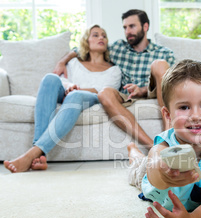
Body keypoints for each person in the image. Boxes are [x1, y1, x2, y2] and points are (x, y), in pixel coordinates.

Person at [127, 59, 201, 218]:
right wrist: (162, 172)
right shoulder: (164, 143)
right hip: (148, 176)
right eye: (184, 107)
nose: (195, 115)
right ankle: (133, 151)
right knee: (137, 167)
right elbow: (155, 164)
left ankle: (135, 152)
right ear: (168, 114)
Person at [4, 25, 121, 173]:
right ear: (86, 41)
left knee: (75, 95)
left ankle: (32, 153)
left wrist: (76, 89)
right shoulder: (74, 63)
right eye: (96, 35)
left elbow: (105, 90)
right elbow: (62, 80)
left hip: (91, 97)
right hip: (70, 92)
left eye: (104, 35)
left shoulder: (113, 70)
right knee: (50, 78)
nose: (101, 38)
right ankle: (40, 156)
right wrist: (69, 85)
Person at [54, 9, 176, 150]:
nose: (128, 31)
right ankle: (153, 147)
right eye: (125, 27)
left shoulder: (163, 52)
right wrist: (62, 62)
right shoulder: (118, 48)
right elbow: (82, 49)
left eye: (132, 26)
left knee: (159, 64)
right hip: (126, 94)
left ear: (145, 27)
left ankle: (168, 137)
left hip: (153, 90)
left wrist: (142, 90)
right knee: (104, 92)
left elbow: (173, 81)